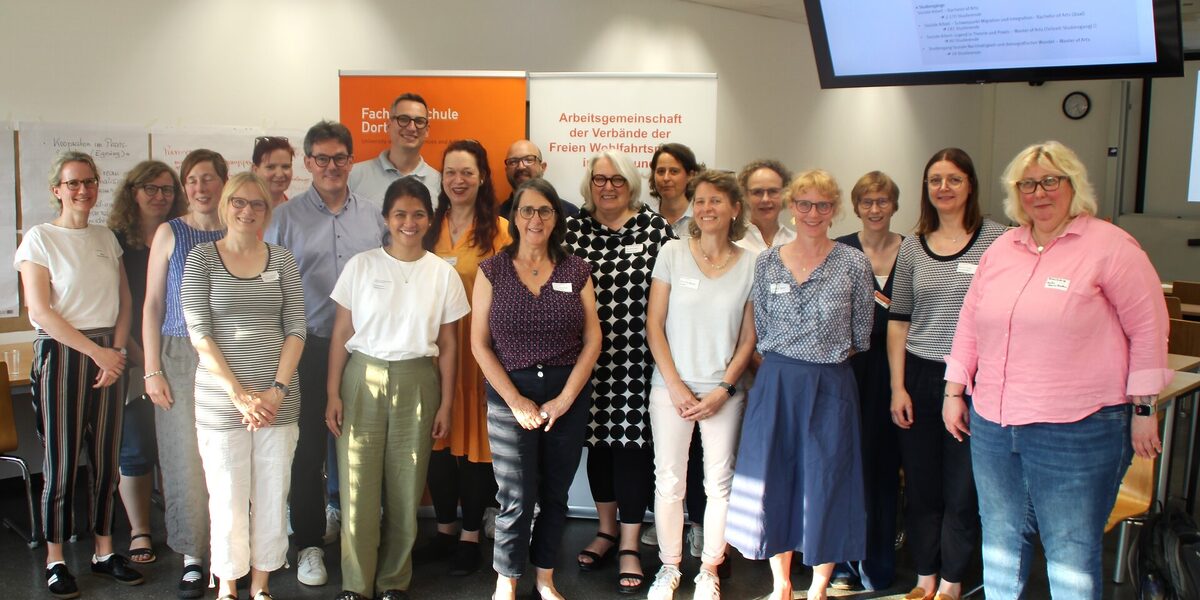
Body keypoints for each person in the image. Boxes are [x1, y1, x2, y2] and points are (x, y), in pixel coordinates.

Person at [944, 141, 1172, 599]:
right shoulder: (1004, 247)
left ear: (1073, 186)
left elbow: (1149, 328)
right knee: (1002, 541)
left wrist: (1145, 408)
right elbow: (970, 321)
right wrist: (954, 391)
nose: (1039, 193)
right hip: (994, 421)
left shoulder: (1110, 245)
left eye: (1051, 181)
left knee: (1069, 551)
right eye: (1028, 184)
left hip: (1077, 427)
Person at [726, 168, 873, 600]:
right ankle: (782, 585)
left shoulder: (853, 263)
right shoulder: (767, 261)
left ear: (835, 210)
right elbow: (762, 326)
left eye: (822, 205)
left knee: (827, 480)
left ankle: (820, 586)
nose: (813, 213)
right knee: (775, 479)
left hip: (831, 387)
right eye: (804, 204)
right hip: (777, 384)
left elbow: (861, 333)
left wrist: (818, 358)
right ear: (793, 207)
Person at [325, 177, 469, 600]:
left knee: (407, 487)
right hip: (361, 378)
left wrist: (445, 402)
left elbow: (449, 344)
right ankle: (356, 583)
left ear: (429, 218)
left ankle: (393, 582)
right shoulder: (362, 265)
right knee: (357, 486)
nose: (409, 222)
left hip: (418, 381)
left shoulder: (443, 274)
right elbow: (339, 335)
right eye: (400, 214)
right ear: (386, 218)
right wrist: (332, 393)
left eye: (418, 214)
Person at [265, 120, 388, 587]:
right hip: (308, 347)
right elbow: (269, 288)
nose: (331, 166)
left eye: (339, 158)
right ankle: (310, 545)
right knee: (309, 449)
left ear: (350, 160)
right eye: (321, 158)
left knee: (361, 448)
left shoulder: (374, 216)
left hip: (364, 349)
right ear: (308, 163)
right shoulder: (285, 219)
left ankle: (362, 538)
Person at [15, 151, 142, 599]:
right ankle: (55, 559)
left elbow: (125, 300)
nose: (82, 190)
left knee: (107, 461)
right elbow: (41, 312)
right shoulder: (39, 238)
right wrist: (98, 354)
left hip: (109, 349)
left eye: (89, 182)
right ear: (57, 189)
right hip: (64, 353)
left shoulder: (106, 237)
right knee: (64, 463)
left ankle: (104, 551)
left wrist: (118, 351)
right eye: (73, 183)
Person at [472, 178, 602, 600]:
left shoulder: (575, 269)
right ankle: (506, 581)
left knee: (555, 494)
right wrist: (516, 401)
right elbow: (479, 344)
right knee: (515, 496)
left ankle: (545, 578)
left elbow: (593, 339)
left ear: (556, 217)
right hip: (511, 391)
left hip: (568, 392)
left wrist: (565, 400)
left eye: (544, 210)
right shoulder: (492, 270)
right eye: (527, 210)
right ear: (513, 216)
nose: (535, 219)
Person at [888, 148, 1006, 600]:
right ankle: (924, 576)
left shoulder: (998, 239)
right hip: (919, 376)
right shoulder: (914, 245)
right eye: (935, 180)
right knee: (921, 487)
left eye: (953, 179)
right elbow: (899, 320)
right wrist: (898, 386)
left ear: (970, 184)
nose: (943, 188)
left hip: (977, 382)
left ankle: (953, 581)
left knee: (962, 490)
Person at [181, 172, 306, 600]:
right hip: (222, 404)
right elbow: (200, 333)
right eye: (239, 202)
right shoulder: (200, 259)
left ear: (267, 212)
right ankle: (228, 586)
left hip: (278, 402)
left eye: (256, 204)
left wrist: (275, 391)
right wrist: (239, 395)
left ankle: (261, 585)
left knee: (273, 496)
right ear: (225, 205)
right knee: (228, 500)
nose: (247, 211)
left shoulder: (282, 260)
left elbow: (296, 330)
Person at [564, 150, 676, 594]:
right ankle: (606, 530)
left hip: (639, 359)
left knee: (632, 449)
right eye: (599, 179)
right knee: (599, 449)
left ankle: (630, 542)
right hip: (586, 360)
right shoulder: (573, 229)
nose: (607, 187)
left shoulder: (653, 228)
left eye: (616, 180)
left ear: (631, 185)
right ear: (588, 185)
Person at [645, 170, 757, 600]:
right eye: (701, 201)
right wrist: (674, 386)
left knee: (719, 484)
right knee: (669, 480)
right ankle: (669, 568)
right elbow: (654, 325)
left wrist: (723, 390)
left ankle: (709, 568)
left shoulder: (751, 262)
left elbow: (748, 338)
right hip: (669, 387)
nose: (706, 208)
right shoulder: (672, 253)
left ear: (734, 209)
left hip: (723, 392)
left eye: (716, 201)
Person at [414, 139, 512, 576]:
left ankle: (472, 535)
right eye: (450, 172)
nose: (458, 180)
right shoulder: (426, 228)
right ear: (441, 178)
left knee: (476, 449)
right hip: (430, 355)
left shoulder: (502, 231)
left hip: (481, 357)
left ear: (483, 177)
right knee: (437, 445)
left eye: (467, 172)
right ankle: (447, 530)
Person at [143, 148, 228, 598]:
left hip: (232, 355)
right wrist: (152, 368)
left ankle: (229, 552)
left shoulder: (239, 228)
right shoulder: (169, 233)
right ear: (184, 185)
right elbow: (153, 304)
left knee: (229, 456)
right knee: (184, 457)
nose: (200, 187)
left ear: (223, 182)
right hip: (178, 354)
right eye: (192, 179)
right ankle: (194, 556)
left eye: (209, 178)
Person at [108, 160, 187, 566]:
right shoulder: (116, 241)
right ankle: (140, 529)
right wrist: (146, 358)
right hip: (134, 354)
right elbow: (127, 305)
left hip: (178, 353)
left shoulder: (182, 234)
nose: (160, 196)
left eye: (167, 189)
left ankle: (183, 525)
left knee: (177, 446)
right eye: (151, 189)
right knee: (136, 448)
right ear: (133, 192)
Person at [831, 171, 904, 592]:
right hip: (847, 369)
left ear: (894, 205)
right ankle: (840, 560)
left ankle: (878, 562)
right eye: (867, 202)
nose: (875, 209)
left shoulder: (912, 252)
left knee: (883, 469)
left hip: (895, 372)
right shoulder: (840, 250)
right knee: (843, 466)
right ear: (856, 207)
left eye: (883, 201)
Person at [348, 92, 440, 203]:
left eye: (419, 121)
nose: (411, 128)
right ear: (388, 125)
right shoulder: (353, 176)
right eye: (404, 119)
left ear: (427, 130)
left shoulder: (439, 183)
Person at [498, 140, 579, 218]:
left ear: (543, 167)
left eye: (529, 160)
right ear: (506, 170)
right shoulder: (496, 217)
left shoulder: (570, 214)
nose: (521, 166)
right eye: (513, 162)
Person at [734, 160, 795, 252]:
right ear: (745, 196)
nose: (765, 199)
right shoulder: (734, 243)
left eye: (773, 191)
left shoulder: (796, 242)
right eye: (757, 192)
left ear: (785, 194)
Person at [647, 143, 703, 238]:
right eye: (661, 171)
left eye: (674, 171)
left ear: (690, 175)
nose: (666, 178)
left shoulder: (702, 219)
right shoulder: (644, 219)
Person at [252, 136, 295, 208]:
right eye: (270, 167)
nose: (280, 174)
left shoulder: (297, 212)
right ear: (255, 170)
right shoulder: (241, 212)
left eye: (285, 167)